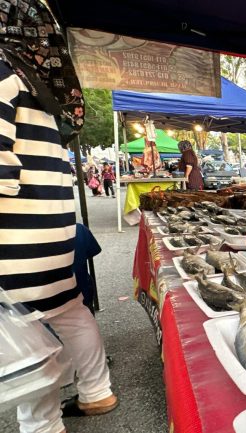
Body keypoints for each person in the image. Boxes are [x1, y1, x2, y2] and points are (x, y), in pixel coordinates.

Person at [0, 3, 118, 433]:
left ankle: (43, 425)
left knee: (25, 332)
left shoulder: (0, 70)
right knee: (68, 309)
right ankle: (95, 389)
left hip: (15, 235)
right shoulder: (37, 79)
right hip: (51, 225)